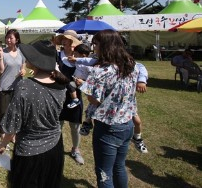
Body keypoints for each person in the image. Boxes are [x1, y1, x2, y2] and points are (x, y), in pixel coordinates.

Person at [0, 40, 68, 187]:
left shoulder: (25, 86)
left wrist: (2, 144)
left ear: (36, 60)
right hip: (55, 148)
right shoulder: (62, 85)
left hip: (29, 151)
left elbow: (12, 124)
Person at [79, 30, 138, 188]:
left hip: (108, 127)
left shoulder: (100, 71)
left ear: (105, 46)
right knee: (119, 166)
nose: (94, 47)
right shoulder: (132, 67)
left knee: (104, 173)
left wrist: (82, 85)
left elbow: (93, 99)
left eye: (96, 44)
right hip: (127, 124)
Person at [70, 45, 150, 153]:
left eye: (97, 45)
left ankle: (137, 138)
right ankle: (87, 123)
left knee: (136, 121)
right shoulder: (103, 65)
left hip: (125, 106)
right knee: (93, 108)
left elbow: (141, 67)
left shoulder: (129, 65)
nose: (95, 49)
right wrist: (77, 60)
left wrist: (142, 80)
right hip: (109, 106)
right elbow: (89, 61)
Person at [54, 30, 85, 165]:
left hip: (75, 96)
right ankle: (55, 148)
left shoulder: (81, 57)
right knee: (57, 124)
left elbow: (87, 75)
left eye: (68, 39)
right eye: (64, 39)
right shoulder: (57, 55)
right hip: (58, 94)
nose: (65, 41)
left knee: (75, 125)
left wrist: (82, 81)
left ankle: (75, 149)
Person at [0, 29, 26, 146]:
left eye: (11, 38)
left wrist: (23, 70)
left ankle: (13, 135)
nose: (8, 40)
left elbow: (23, 66)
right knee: (3, 113)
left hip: (17, 87)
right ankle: (3, 137)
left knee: (16, 113)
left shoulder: (21, 52)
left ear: (16, 39)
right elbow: (1, 70)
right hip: (4, 88)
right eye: (7, 38)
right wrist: (1, 57)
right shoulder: (2, 52)